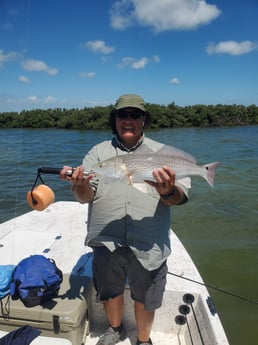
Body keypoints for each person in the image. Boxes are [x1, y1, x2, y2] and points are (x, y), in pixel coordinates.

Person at [60, 94, 190, 345]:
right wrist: (79, 185)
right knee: (109, 291)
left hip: (149, 242)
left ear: (144, 121)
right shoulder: (98, 153)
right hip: (106, 240)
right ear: (115, 120)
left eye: (135, 115)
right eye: (122, 115)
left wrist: (168, 191)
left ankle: (143, 340)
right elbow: (85, 197)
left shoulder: (163, 153)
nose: (128, 120)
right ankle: (114, 329)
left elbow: (181, 196)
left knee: (146, 297)